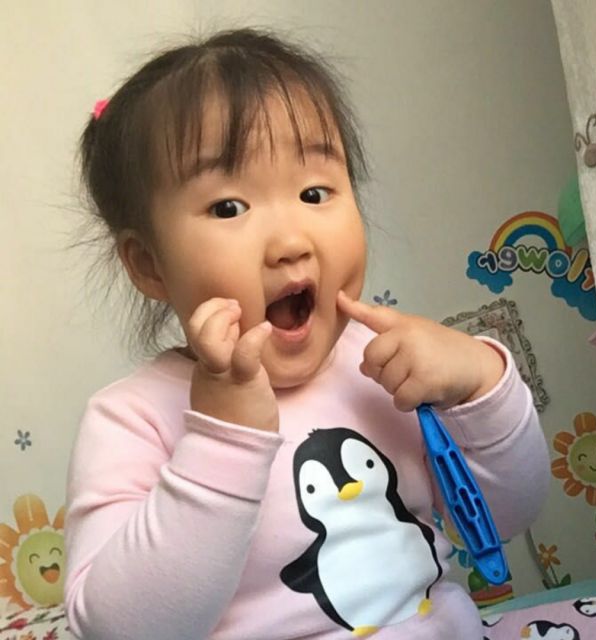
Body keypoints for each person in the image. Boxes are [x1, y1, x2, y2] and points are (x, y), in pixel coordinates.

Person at [64, 28, 550, 640]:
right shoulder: (132, 420)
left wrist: (482, 386)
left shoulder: (380, 369)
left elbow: (507, 515)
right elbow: (117, 629)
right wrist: (222, 440)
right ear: (150, 265)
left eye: (315, 193)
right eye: (228, 207)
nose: (292, 241)